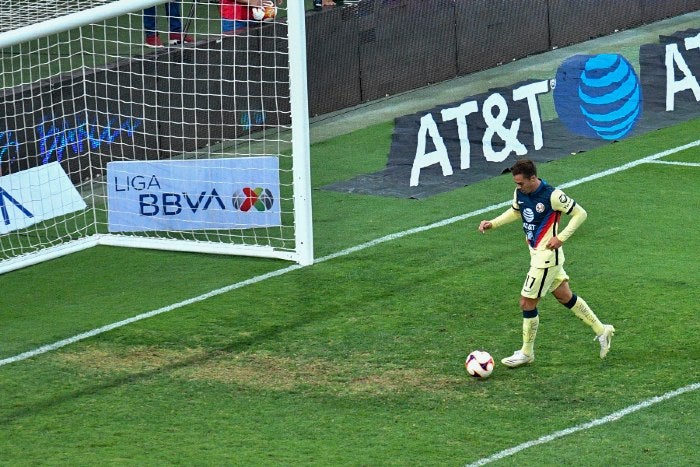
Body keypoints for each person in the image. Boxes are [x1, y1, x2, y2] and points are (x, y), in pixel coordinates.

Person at [478, 159, 615, 368]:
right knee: (564, 295)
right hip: (536, 253)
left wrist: (561, 237)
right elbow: (516, 211)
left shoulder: (553, 195)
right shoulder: (520, 193)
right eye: (516, 183)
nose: (518, 187)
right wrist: (493, 223)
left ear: (533, 178)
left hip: (546, 258)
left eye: (521, 183)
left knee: (527, 302)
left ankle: (526, 353)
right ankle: (601, 329)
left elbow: (581, 213)